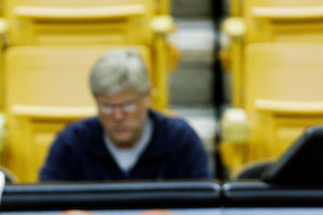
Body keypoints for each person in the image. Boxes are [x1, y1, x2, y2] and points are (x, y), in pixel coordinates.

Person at [38, 48, 212, 182]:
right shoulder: (71, 144)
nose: (118, 116)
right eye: (107, 107)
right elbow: (46, 207)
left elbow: (204, 210)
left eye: (127, 105)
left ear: (147, 97)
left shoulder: (180, 141)